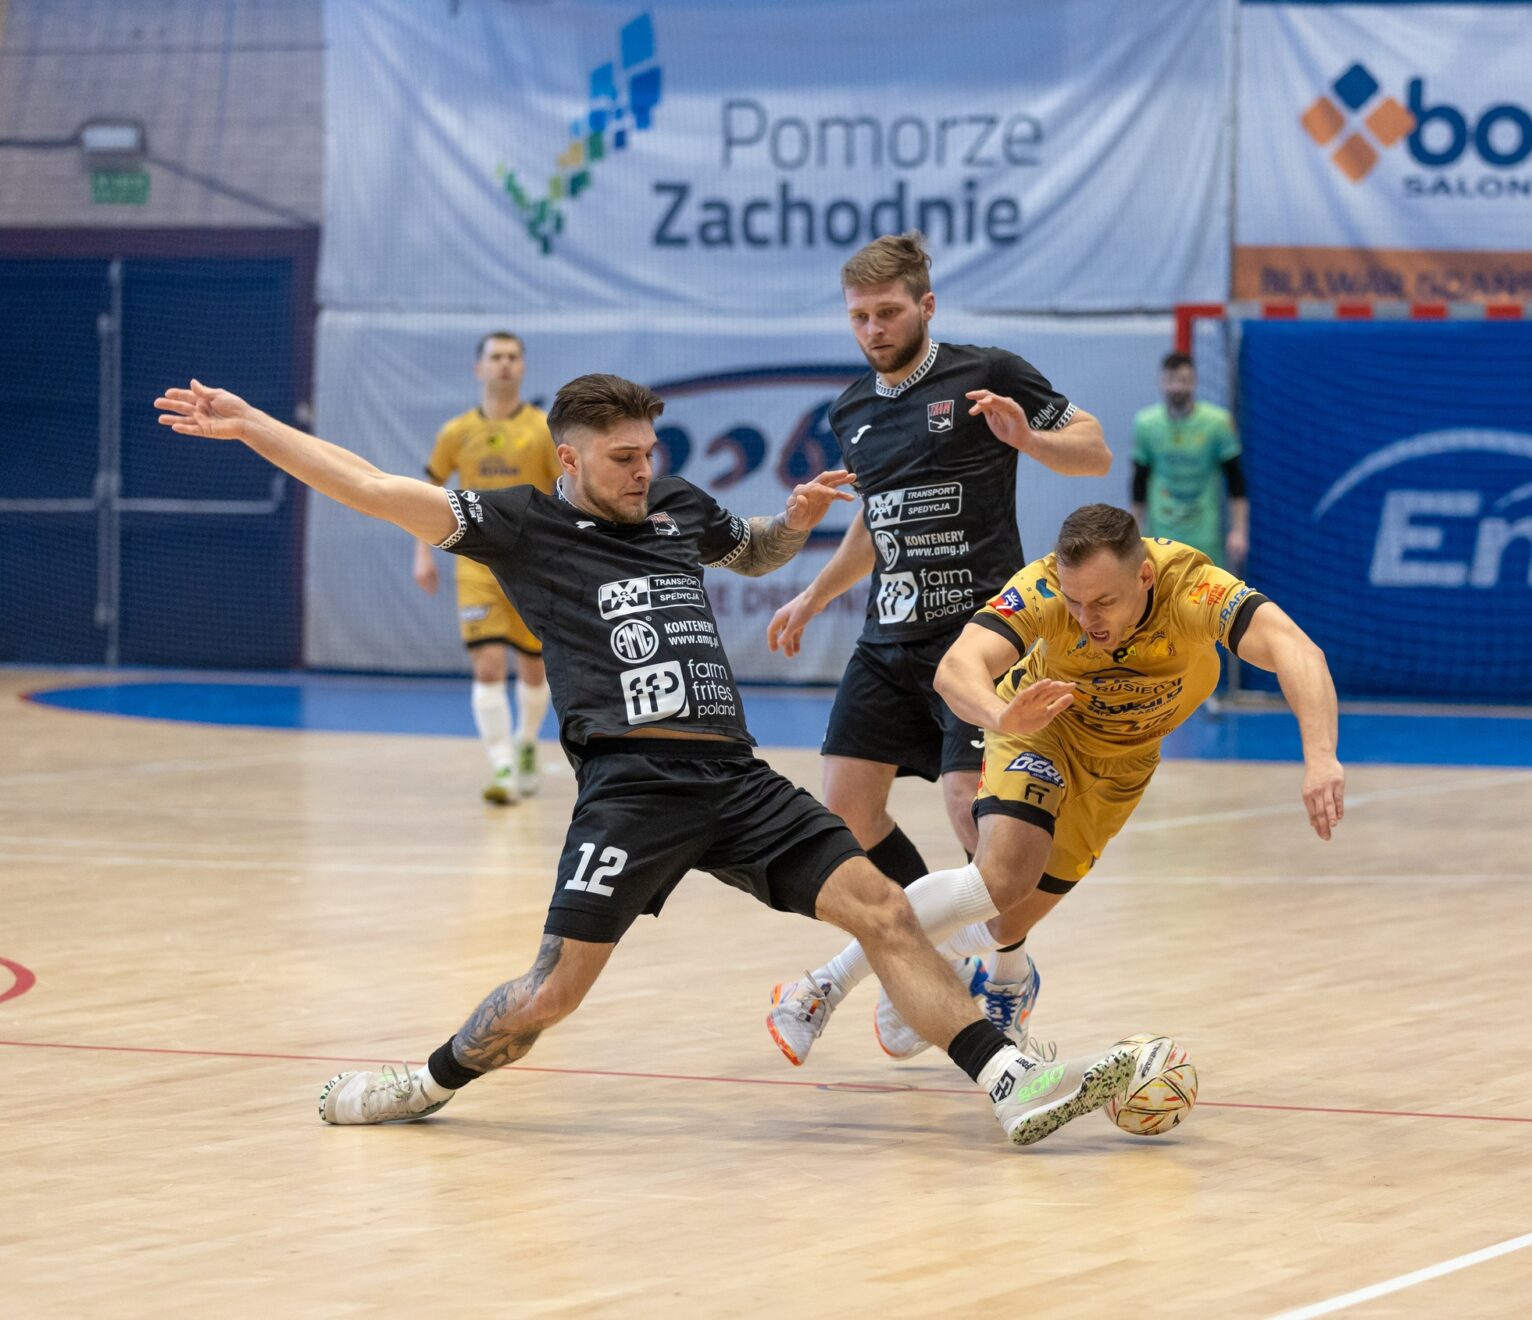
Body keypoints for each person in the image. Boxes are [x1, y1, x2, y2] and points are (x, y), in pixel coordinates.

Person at [154, 374, 1138, 1147]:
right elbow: (371, 487)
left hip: (734, 777)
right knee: (551, 994)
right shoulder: (522, 525)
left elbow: (748, 550)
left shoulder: (669, 503)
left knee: (882, 908)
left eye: (649, 451)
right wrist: (251, 426)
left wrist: (792, 524)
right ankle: (424, 1080)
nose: (642, 468)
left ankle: (1007, 1083)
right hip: (630, 790)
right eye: (622, 456)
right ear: (569, 460)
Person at [768, 503, 1343, 1067]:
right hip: (1040, 730)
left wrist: (1320, 758)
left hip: (1121, 766)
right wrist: (1000, 716)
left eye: (1103, 602)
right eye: (1075, 601)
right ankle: (822, 987)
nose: (1086, 618)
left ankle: (950, 964)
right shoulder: (1042, 589)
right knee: (1002, 875)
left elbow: (1296, 649)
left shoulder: (1192, 589)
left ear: (1144, 576)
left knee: (1003, 923)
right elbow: (956, 668)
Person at [767, 231, 1111, 1039]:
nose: (873, 329)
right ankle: (940, 965)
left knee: (972, 812)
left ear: (925, 306)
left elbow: (1091, 451)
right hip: (887, 641)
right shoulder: (850, 411)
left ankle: (1009, 975)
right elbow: (877, 526)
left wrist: (1029, 439)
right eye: (859, 316)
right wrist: (814, 595)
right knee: (846, 815)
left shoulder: (987, 374)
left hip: (978, 636)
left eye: (888, 312)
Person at [413, 331, 560, 804]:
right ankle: (501, 767)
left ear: (523, 367)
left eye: (513, 357)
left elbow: (564, 497)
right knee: (489, 665)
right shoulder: (456, 432)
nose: (504, 364)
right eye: (495, 357)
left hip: (534, 565)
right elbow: (426, 493)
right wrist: (422, 553)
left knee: (534, 671)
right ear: (479, 368)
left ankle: (525, 746)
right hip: (477, 563)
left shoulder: (542, 430)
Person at [1132, 351, 1247, 571]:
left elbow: (1236, 481)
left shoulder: (1218, 423)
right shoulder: (1146, 424)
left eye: (1183, 381)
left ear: (1194, 382)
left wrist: (1239, 531)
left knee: (1206, 596)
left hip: (1204, 532)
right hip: (1161, 531)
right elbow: (1139, 481)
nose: (1177, 388)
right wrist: (1134, 530)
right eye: (1171, 380)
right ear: (1161, 381)